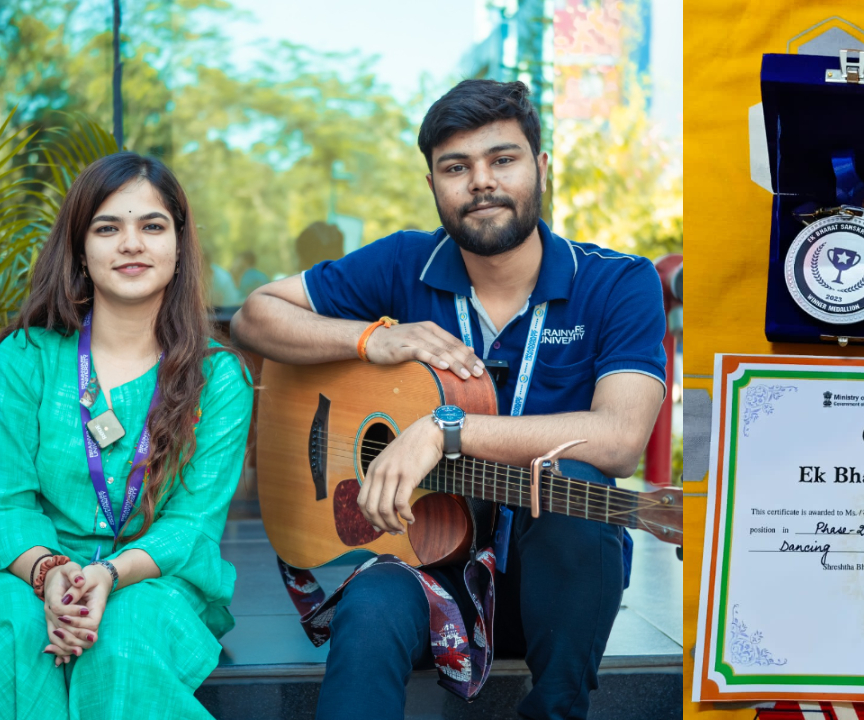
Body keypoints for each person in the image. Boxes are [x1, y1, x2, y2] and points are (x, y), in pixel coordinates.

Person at [231, 79, 666, 720]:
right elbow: (254, 317)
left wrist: (443, 431)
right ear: (433, 183)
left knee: (576, 487)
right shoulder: (404, 261)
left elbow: (620, 439)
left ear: (541, 167)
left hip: (546, 585)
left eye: (502, 159)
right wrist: (368, 340)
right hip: (419, 555)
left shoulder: (617, 282)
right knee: (370, 611)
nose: (480, 182)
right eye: (455, 168)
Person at [0, 153, 254, 720]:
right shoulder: (25, 358)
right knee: (17, 634)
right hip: (26, 569)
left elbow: (192, 526)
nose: (131, 244)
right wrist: (51, 574)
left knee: (123, 640)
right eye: (107, 227)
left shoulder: (218, 378)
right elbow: (1, 505)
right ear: (80, 247)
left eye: (151, 226)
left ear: (177, 244)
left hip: (153, 578)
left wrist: (108, 574)